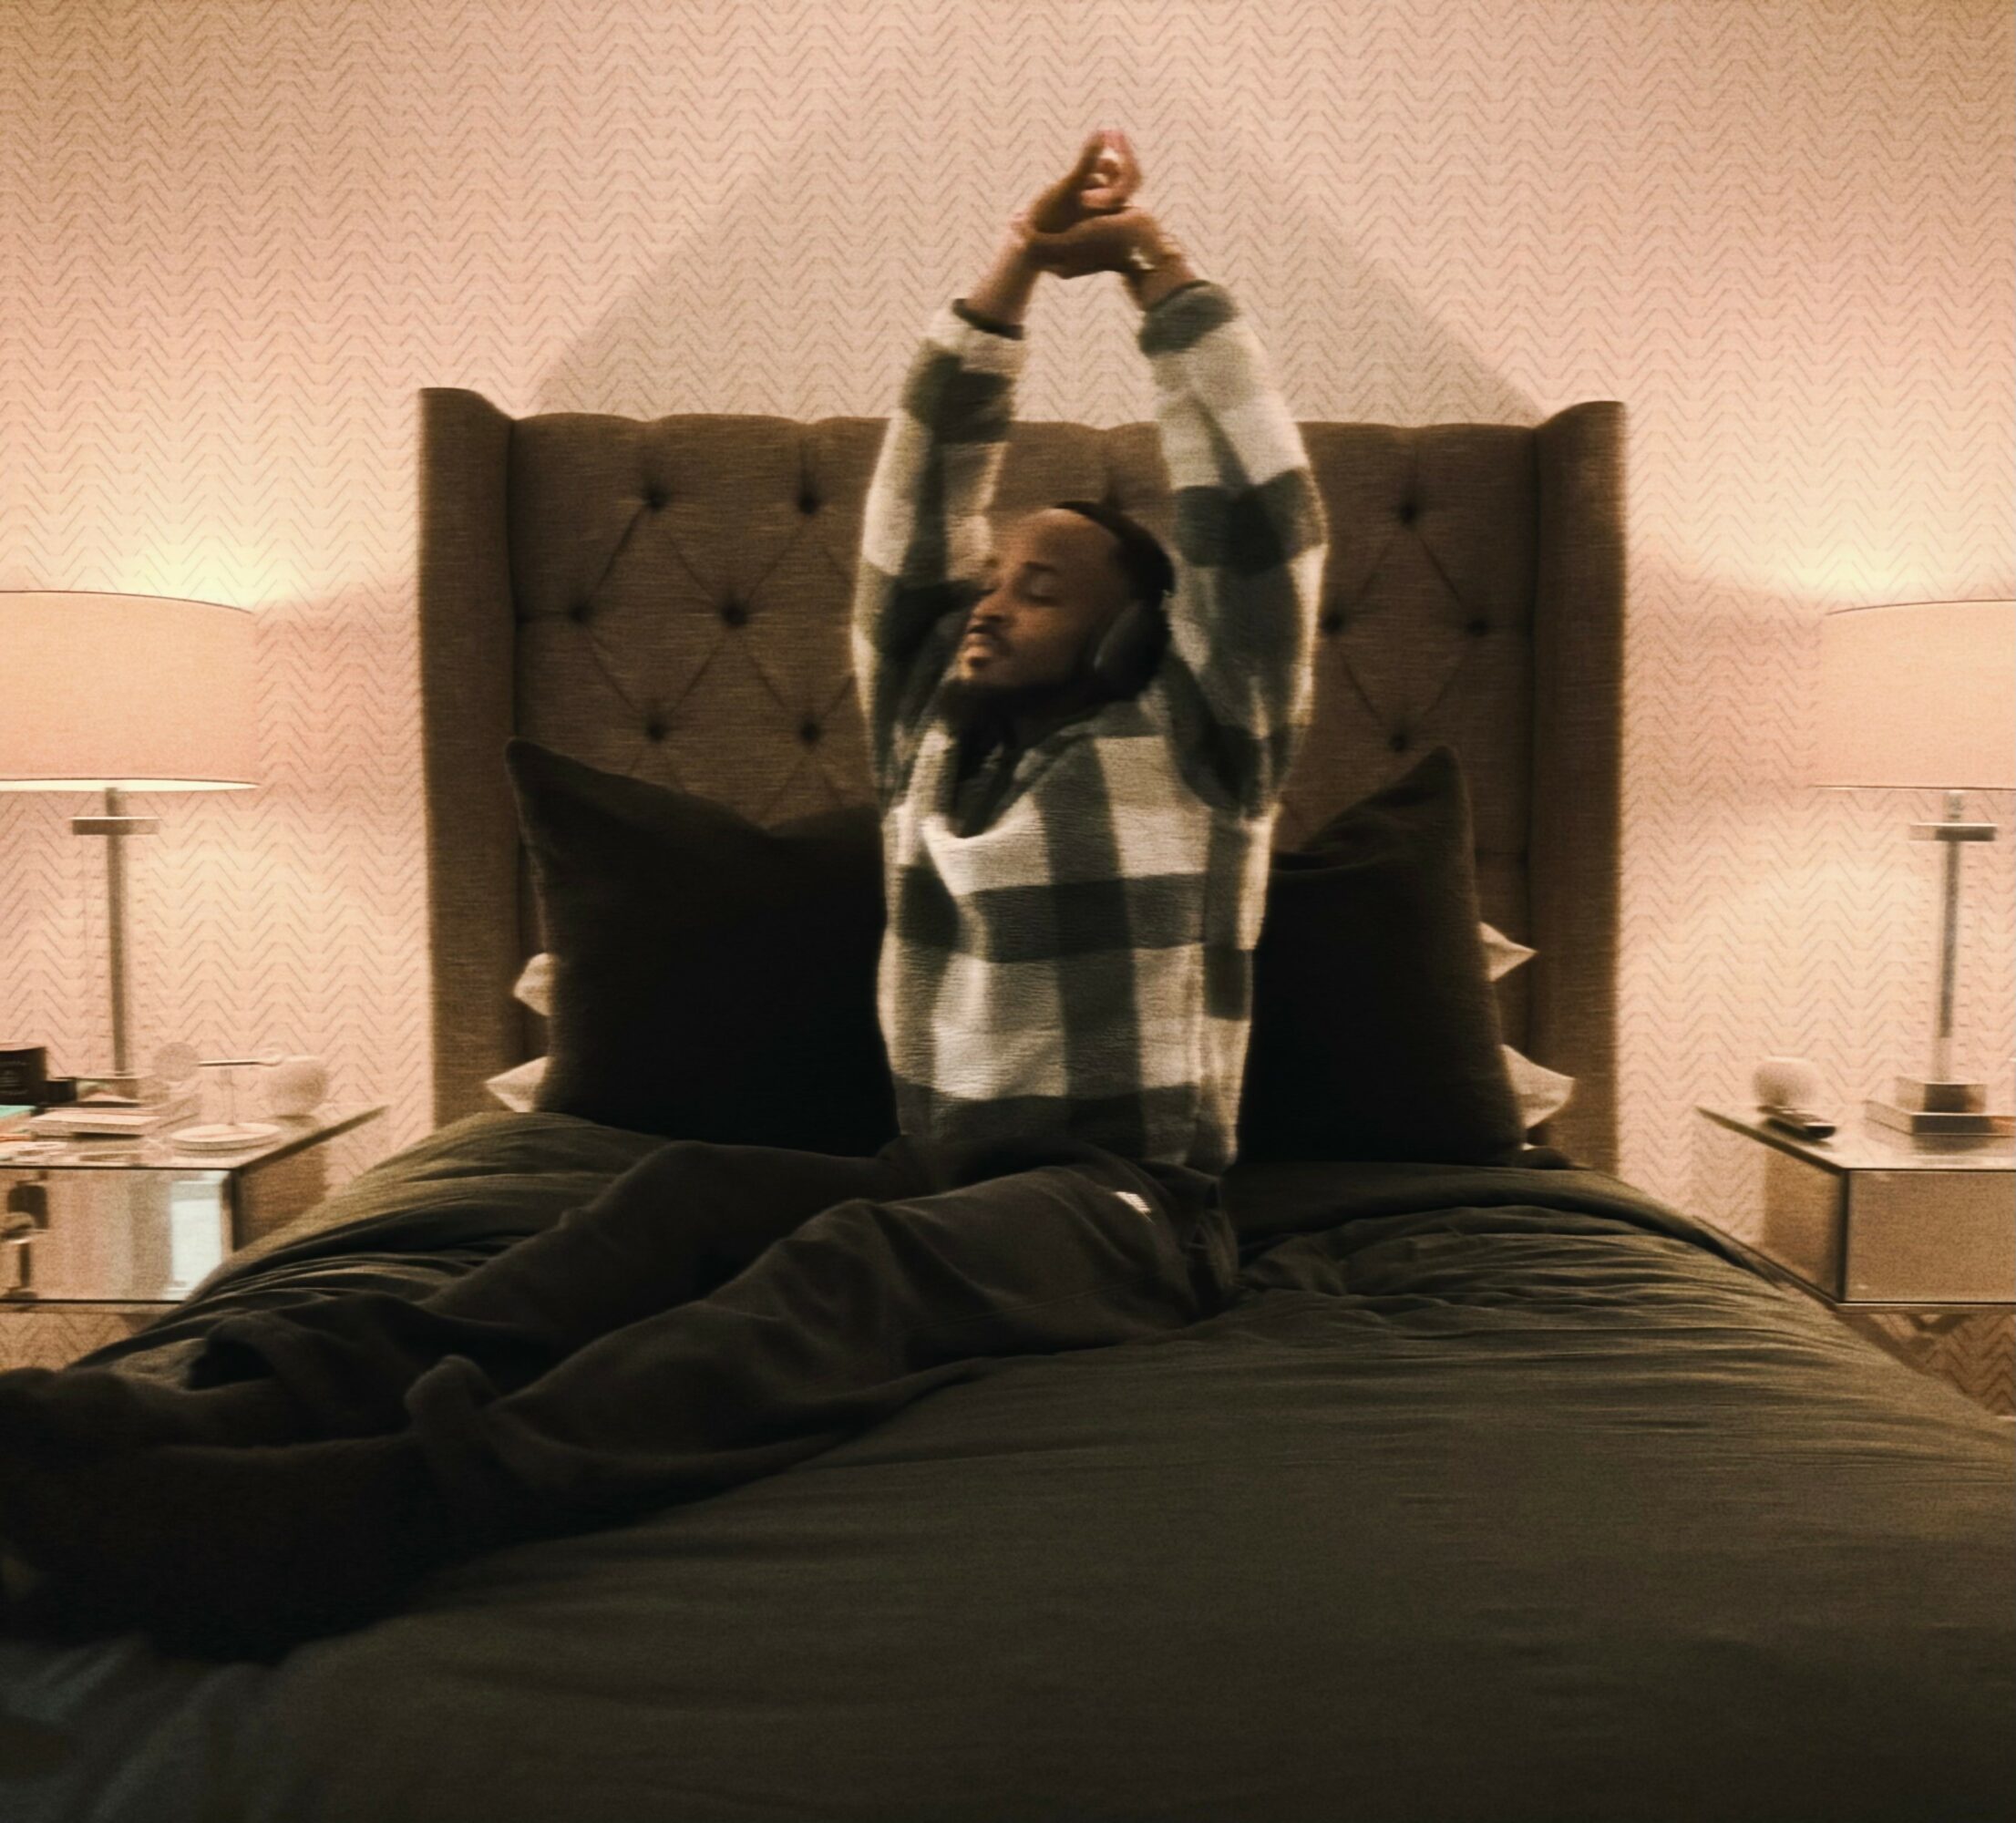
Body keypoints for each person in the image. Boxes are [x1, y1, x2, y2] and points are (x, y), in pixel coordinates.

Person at [0, 129, 1329, 1662]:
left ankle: (396, 1504)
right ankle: (242, 1408)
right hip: (937, 1176)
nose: (987, 599)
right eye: (991, 577)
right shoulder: (930, 746)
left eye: (1040, 584)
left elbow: (1265, 529)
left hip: (1126, 1214)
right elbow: (909, 522)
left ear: (1125, 641)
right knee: (682, 1198)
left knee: (853, 1264)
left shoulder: (1199, 745)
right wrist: (1012, 275)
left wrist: (1157, 273)